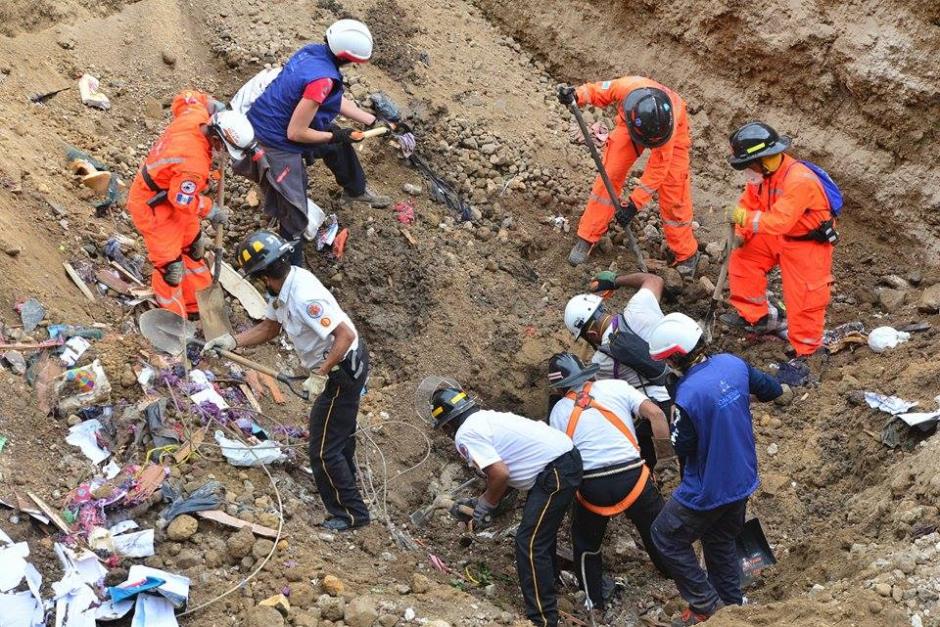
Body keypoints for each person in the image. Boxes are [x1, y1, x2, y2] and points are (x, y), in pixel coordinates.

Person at [203, 231, 370, 531]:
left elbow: (345, 335)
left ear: (261, 276)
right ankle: (350, 494)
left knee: (322, 450)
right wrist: (231, 342)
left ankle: (351, 515)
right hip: (335, 365)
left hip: (343, 368)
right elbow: (270, 328)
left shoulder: (304, 296)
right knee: (339, 438)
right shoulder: (283, 288)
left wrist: (320, 375)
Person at [646, 313, 790, 625]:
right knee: (718, 540)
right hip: (742, 478)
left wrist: (675, 399)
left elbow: (681, 446)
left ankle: (705, 605)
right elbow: (771, 389)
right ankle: (732, 606)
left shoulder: (687, 395)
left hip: (708, 488)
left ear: (674, 357)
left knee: (664, 536)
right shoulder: (732, 363)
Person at [426, 382, 581, 627]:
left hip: (554, 471)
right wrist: (486, 502)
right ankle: (548, 584)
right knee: (540, 535)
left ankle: (543, 619)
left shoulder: (465, 434)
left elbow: (499, 474)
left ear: (447, 425)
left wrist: (485, 505)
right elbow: (505, 473)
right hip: (560, 463)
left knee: (529, 543)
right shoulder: (485, 418)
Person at [244, 18, 390, 264]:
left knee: (337, 143)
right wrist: (336, 135)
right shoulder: (323, 79)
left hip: (275, 122)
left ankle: (355, 191)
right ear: (350, 58)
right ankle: (291, 271)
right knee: (295, 212)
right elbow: (296, 133)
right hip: (272, 141)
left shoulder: (312, 52)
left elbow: (331, 100)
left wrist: (369, 120)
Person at [546, 352, 673, 612]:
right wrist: (665, 461)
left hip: (593, 487)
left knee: (585, 543)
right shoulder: (617, 387)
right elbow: (658, 416)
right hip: (633, 479)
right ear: (586, 372)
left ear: (558, 387)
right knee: (658, 531)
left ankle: (594, 600)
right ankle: (676, 576)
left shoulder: (558, 411)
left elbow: (561, 457)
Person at [127, 92, 253, 316]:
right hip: (154, 207)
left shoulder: (195, 115)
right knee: (171, 269)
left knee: (194, 249)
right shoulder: (193, 164)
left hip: (171, 197)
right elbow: (182, 199)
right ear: (216, 140)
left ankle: (197, 306)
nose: (224, 156)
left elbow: (186, 96)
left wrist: (211, 103)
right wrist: (211, 210)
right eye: (224, 150)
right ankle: (175, 319)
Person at [720, 121, 837, 357]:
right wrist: (742, 235)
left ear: (763, 159)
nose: (746, 171)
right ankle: (757, 317)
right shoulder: (764, 175)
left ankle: (808, 351)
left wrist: (743, 218)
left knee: (805, 299)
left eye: (748, 165)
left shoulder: (799, 180)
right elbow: (750, 203)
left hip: (807, 245)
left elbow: (779, 220)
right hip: (778, 237)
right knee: (743, 258)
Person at [557, 78, 699, 271]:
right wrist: (577, 95)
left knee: (674, 191)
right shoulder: (627, 87)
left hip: (669, 134)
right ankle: (587, 236)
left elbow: (657, 170)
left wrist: (633, 205)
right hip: (632, 124)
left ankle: (686, 254)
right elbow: (597, 90)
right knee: (610, 173)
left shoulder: (668, 127)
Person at [562, 272, 673, 466]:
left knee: (637, 452)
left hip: (658, 411)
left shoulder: (602, 360)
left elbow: (604, 394)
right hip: (681, 384)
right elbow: (655, 280)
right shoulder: (639, 307)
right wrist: (615, 281)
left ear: (591, 333)